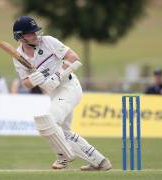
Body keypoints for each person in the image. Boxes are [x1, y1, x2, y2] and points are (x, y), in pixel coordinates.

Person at [11, 16, 112, 171]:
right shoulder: (18, 57)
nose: (35, 35)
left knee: (50, 121)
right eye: (30, 33)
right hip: (54, 94)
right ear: (20, 36)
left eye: (35, 32)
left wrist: (58, 75)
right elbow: (25, 82)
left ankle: (63, 156)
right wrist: (34, 79)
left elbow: (73, 57)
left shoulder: (48, 41)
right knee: (64, 133)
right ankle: (100, 162)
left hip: (69, 87)